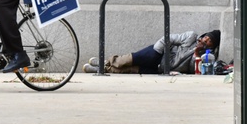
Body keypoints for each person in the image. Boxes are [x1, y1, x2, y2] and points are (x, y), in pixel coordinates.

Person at [84, 30, 221, 74]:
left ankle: (101, 69)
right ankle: (105, 62)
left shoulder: (206, 57)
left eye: (210, 42)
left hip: (163, 70)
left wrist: (196, 55)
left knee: (130, 69)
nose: (206, 40)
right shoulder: (191, 37)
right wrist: (158, 50)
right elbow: (170, 38)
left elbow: (194, 70)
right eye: (207, 37)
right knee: (129, 59)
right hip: (159, 54)